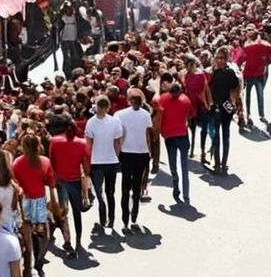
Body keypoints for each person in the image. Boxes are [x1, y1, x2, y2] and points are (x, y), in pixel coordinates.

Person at [10, 134, 55, 277]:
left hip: (24, 202)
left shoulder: (17, 163)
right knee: (45, 236)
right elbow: (51, 182)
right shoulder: (45, 161)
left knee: (28, 238)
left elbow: (15, 184)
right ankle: (39, 261)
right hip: (39, 201)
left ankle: (28, 269)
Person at [47, 115, 91, 251]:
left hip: (61, 180)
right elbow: (86, 164)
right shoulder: (82, 143)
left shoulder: (55, 141)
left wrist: (55, 176)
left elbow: (51, 160)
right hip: (75, 180)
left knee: (62, 210)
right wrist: (86, 176)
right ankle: (78, 239)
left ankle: (67, 238)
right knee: (77, 211)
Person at [114, 89, 153, 231]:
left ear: (129, 101)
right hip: (142, 153)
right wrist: (150, 152)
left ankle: (125, 218)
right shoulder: (146, 115)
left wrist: (117, 152)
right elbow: (148, 135)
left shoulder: (120, 115)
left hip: (126, 153)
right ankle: (134, 215)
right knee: (137, 186)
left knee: (125, 186)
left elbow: (119, 135)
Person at [84, 95, 122, 233]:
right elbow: (117, 142)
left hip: (97, 162)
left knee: (99, 191)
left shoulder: (91, 123)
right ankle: (110, 218)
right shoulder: (115, 122)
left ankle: (103, 214)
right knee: (110, 191)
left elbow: (88, 144)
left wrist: (87, 161)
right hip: (111, 162)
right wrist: (115, 156)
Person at [154, 80, 195, 205]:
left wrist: (159, 129)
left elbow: (158, 114)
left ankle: (175, 181)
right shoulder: (185, 100)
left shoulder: (163, 99)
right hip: (182, 134)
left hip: (169, 136)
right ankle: (186, 194)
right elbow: (191, 114)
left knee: (172, 162)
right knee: (184, 166)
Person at [206, 48, 240, 174]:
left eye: (222, 58)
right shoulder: (213, 73)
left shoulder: (230, 73)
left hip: (226, 107)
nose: (220, 60)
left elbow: (235, 87)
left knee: (226, 136)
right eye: (218, 58)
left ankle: (224, 163)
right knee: (216, 136)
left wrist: (233, 102)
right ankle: (217, 163)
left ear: (226, 59)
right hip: (215, 106)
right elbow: (208, 88)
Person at [239, 29, 271, 123]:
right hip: (259, 73)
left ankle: (248, 113)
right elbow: (269, 57)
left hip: (250, 73)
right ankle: (261, 114)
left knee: (248, 95)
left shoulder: (248, 46)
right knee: (260, 95)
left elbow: (242, 58)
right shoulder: (266, 46)